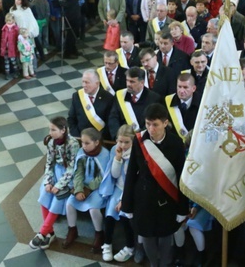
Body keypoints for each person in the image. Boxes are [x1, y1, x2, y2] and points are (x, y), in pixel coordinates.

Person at [121, 103, 189, 267]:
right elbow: (131, 174)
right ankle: (153, 263)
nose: (151, 129)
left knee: (166, 237)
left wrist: (182, 209)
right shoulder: (139, 141)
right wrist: (127, 205)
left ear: (165, 123)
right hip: (144, 199)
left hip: (168, 199)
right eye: (148, 124)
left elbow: (182, 177)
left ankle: (165, 264)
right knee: (147, 236)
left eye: (155, 124)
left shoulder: (176, 143)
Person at [29, 116, 80, 250]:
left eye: (53, 130)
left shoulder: (73, 143)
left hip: (68, 176)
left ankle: (42, 232)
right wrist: (48, 182)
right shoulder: (51, 142)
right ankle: (50, 233)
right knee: (44, 194)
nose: (50, 133)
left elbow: (72, 167)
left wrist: (58, 185)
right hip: (55, 171)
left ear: (63, 130)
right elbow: (49, 164)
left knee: (58, 198)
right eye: (49, 129)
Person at [62, 128, 111, 252]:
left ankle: (99, 234)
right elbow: (78, 172)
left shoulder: (104, 154)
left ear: (96, 142)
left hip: (98, 187)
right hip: (83, 186)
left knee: (94, 208)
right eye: (82, 142)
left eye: (87, 143)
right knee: (69, 204)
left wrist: (88, 188)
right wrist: (78, 189)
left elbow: (103, 176)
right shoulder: (81, 152)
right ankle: (72, 230)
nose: (83, 145)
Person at [100, 124, 137, 263]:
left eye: (126, 142)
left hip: (130, 191)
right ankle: (107, 243)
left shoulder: (136, 153)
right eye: (120, 141)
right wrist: (117, 159)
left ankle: (130, 247)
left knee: (124, 216)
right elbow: (114, 175)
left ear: (133, 141)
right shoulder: (114, 150)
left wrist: (123, 199)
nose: (123, 145)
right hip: (118, 187)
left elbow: (132, 180)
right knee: (109, 214)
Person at [68, 69, 115, 139]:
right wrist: (78, 137)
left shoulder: (108, 98)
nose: (84, 85)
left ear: (97, 83)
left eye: (87, 82)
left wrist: (98, 139)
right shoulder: (77, 96)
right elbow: (71, 119)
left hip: (99, 139)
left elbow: (110, 123)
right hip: (80, 137)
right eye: (83, 82)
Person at [0, 13, 19, 80]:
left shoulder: (15, 28)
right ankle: (7, 73)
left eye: (10, 20)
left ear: (13, 20)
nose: (8, 22)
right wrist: (2, 48)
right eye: (7, 20)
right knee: (6, 61)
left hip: (12, 47)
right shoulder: (4, 28)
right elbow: (3, 39)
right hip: (5, 47)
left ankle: (16, 71)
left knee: (13, 61)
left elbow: (17, 38)